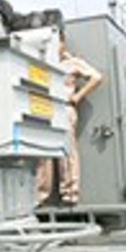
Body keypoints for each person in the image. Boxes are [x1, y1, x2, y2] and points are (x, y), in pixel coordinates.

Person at [36, 31, 103, 205]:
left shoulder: (72, 62)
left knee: (66, 151)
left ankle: (70, 193)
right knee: (43, 153)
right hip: (45, 107)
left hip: (65, 107)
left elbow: (96, 77)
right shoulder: (42, 60)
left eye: (57, 42)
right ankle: (41, 195)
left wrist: (78, 96)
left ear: (63, 43)